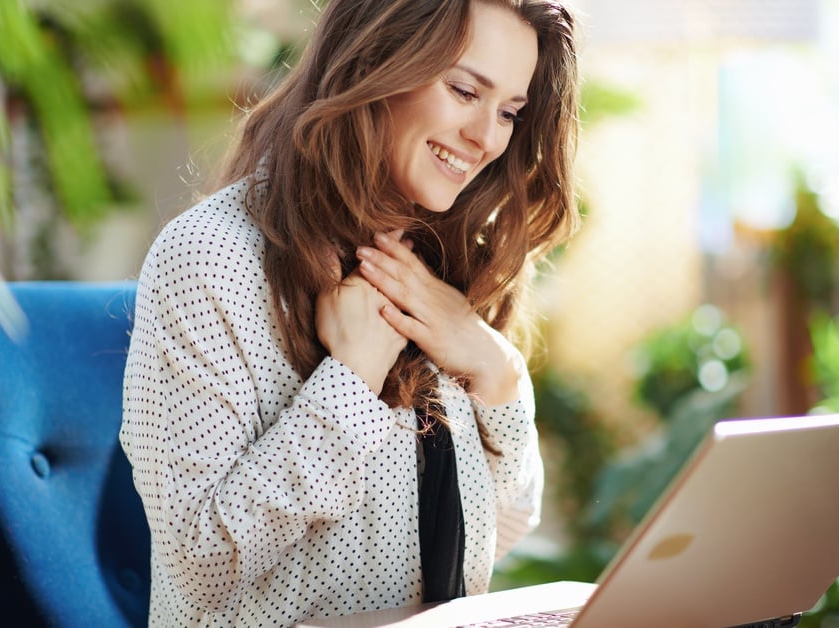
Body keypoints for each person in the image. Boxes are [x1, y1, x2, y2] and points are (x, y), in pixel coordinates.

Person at [119, 0, 581, 625]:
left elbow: (506, 523)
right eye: (465, 90)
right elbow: (199, 564)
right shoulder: (210, 258)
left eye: (508, 113)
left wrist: (495, 369)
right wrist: (352, 383)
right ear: (376, 61)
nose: (486, 139)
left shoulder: (443, 257)